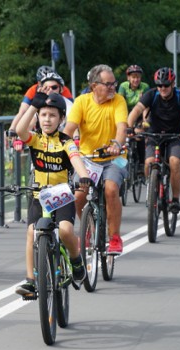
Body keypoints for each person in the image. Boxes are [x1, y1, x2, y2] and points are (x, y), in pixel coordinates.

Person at [13, 92, 92, 297]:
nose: (47, 119)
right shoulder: (35, 138)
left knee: (66, 230)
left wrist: (83, 177)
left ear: (61, 119)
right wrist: (32, 106)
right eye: (43, 114)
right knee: (31, 232)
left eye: (52, 115)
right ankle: (31, 280)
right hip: (39, 192)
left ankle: (76, 262)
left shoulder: (66, 142)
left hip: (61, 194)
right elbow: (20, 130)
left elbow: (76, 160)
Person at [63, 64, 128, 255]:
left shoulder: (118, 101)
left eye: (113, 84)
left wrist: (117, 143)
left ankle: (115, 237)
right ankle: (88, 227)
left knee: (111, 189)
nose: (112, 88)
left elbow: (122, 127)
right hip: (88, 158)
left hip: (115, 157)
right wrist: (62, 146)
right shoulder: (82, 102)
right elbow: (69, 128)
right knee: (78, 195)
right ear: (94, 86)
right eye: (107, 84)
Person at [127, 67, 180, 214]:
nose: (162, 88)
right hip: (154, 134)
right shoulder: (152, 94)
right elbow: (135, 111)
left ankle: (175, 199)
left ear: (172, 84)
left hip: (175, 136)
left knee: (175, 161)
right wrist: (129, 127)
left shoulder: (179, 96)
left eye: (166, 85)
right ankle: (152, 190)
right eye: (159, 85)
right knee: (149, 162)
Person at [8, 65, 74, 135]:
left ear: (61, 88)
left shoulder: (65, 91)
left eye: (54, 87)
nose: (50, 90)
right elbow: (22, 111)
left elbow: (72, 114)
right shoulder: (33, 90)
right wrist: (12, 129)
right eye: (46, 87)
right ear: (39, 83)